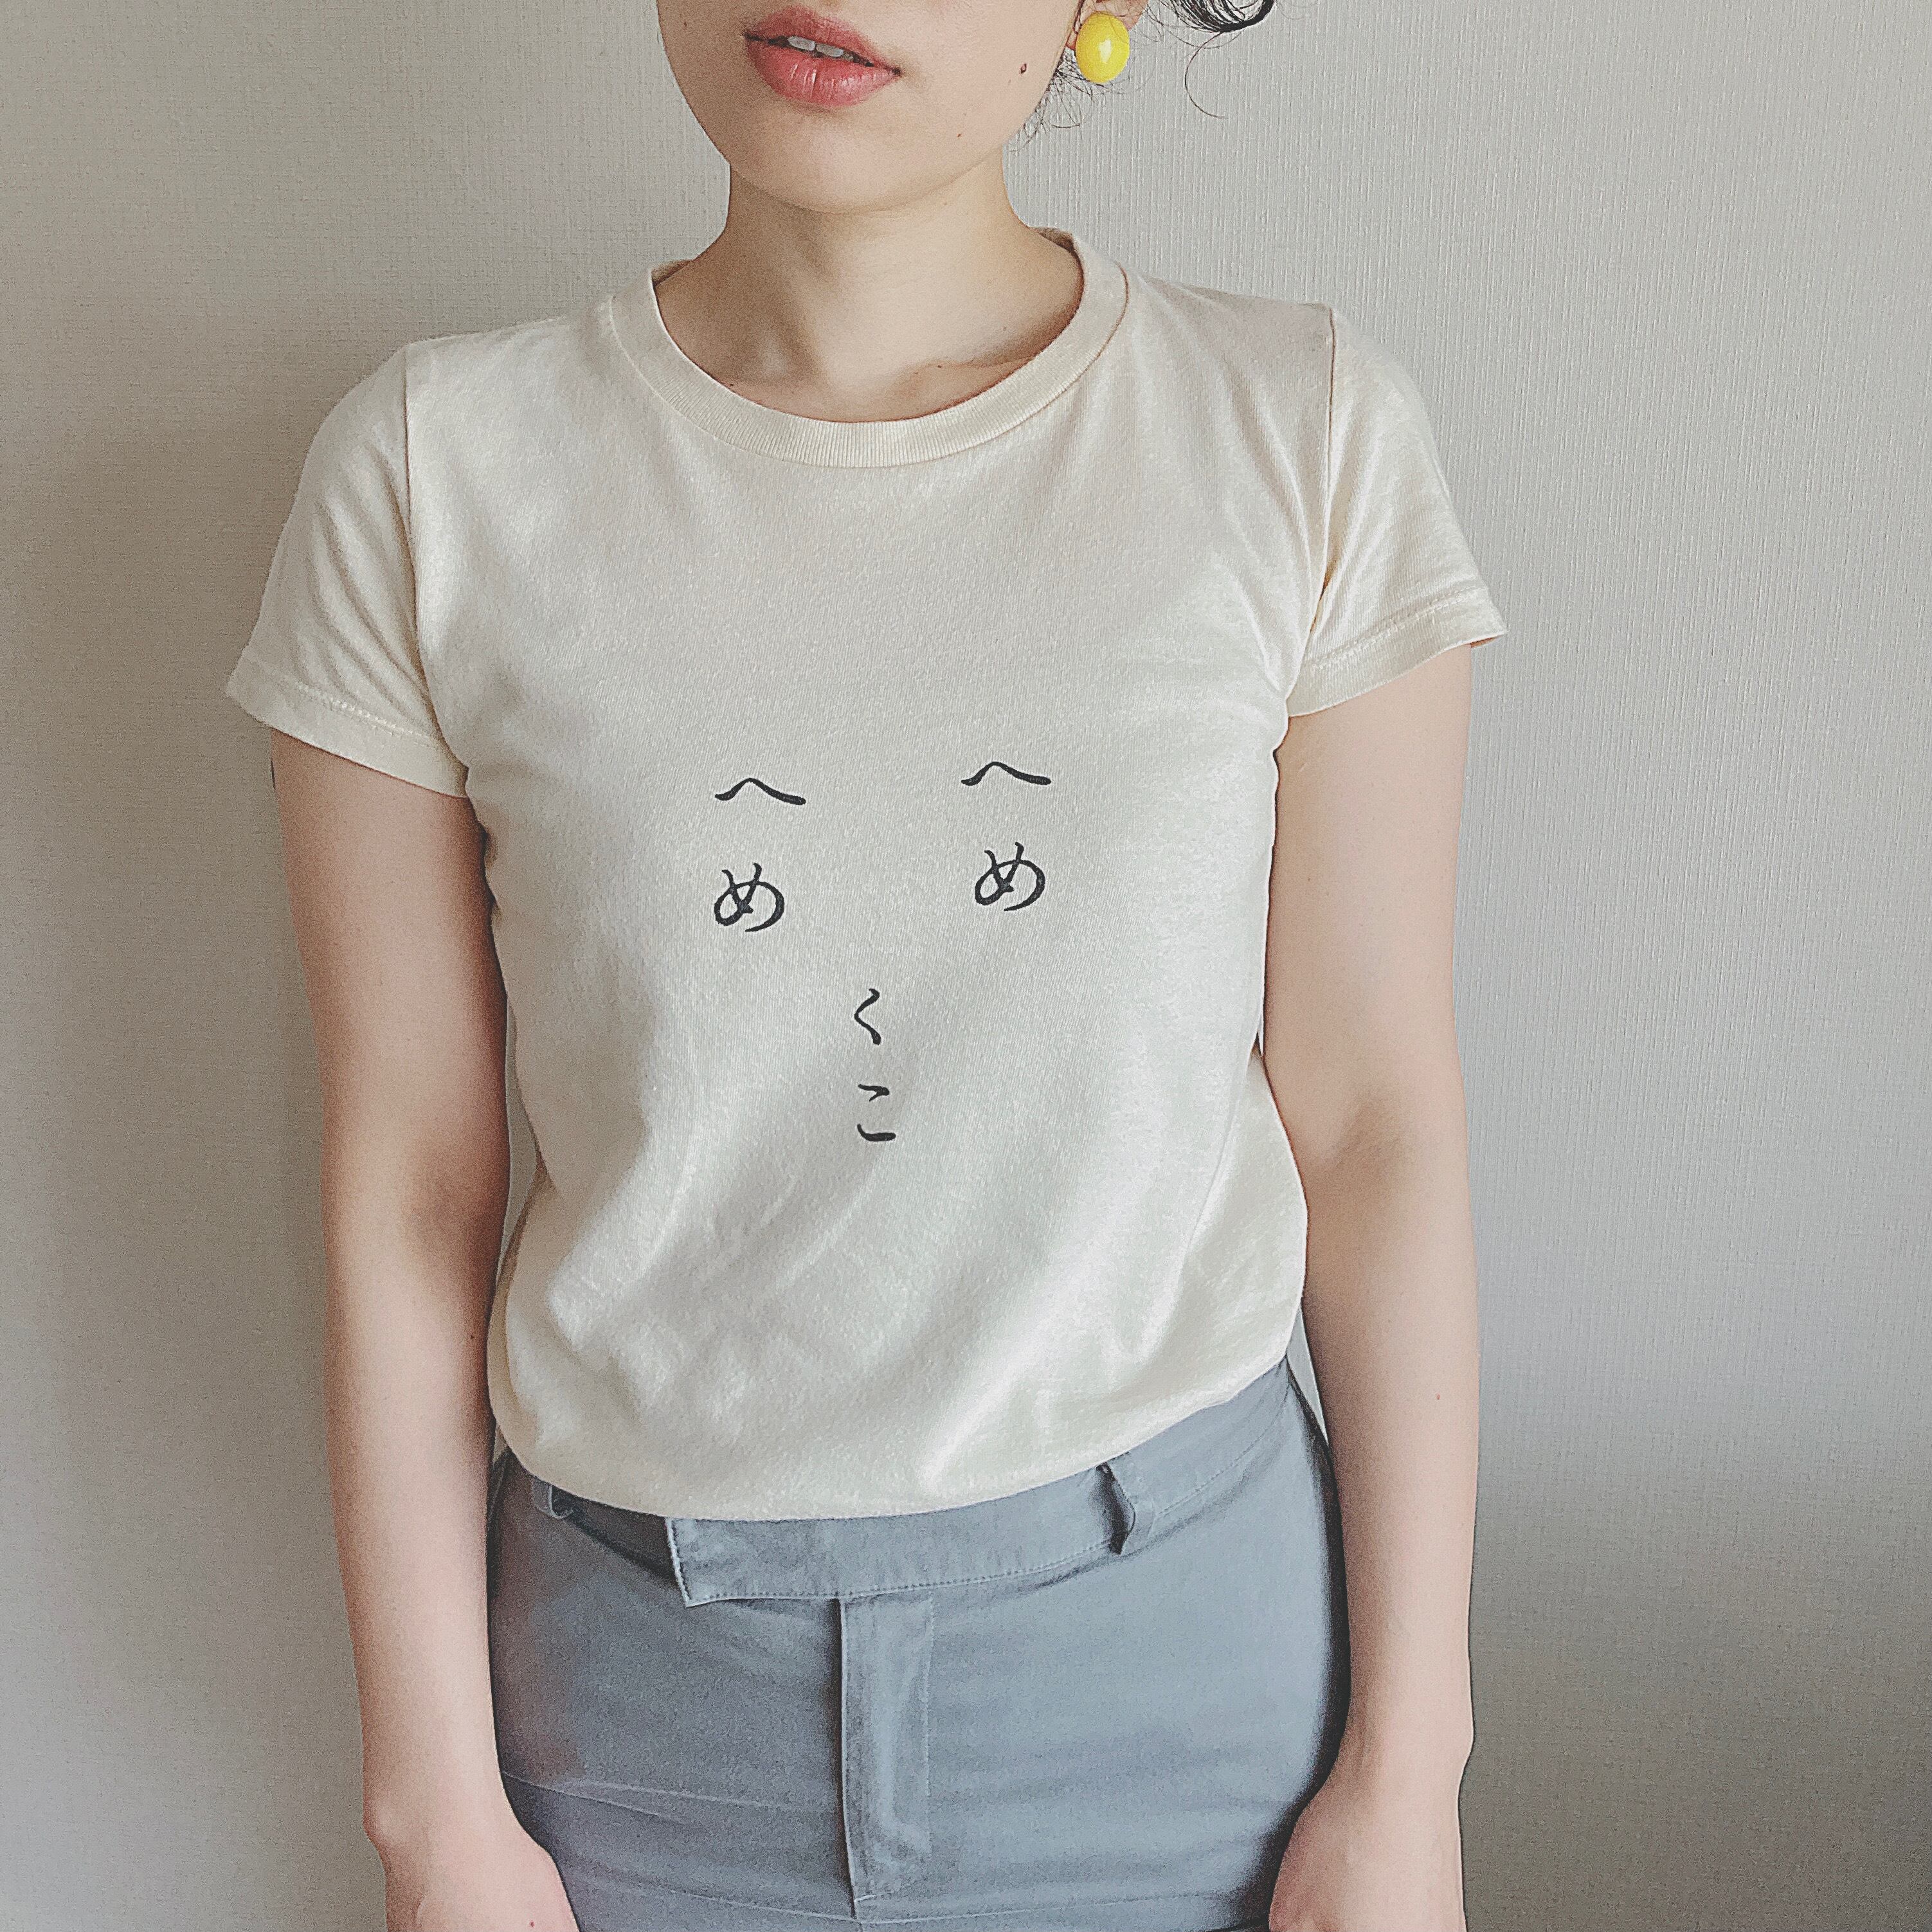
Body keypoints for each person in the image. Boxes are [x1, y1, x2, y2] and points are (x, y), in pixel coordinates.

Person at [223, 1, 1507, 1927]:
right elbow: (412, 1180)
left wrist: (1411, 1772)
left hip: (1183, 1699)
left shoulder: (1297, 430)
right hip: (630, 1719)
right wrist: (436, 1819)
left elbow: (1374, 1123)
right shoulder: (434, 470)